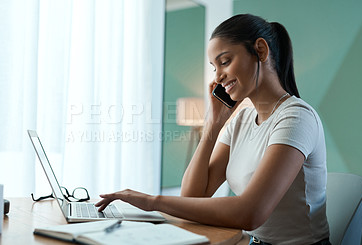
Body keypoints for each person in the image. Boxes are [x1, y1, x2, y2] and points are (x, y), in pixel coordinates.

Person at [96, 14, 331, 245]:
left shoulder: (296, 117)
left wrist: (153, 201)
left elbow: (251, 213)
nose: (218, 76)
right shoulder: (242, 119)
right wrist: (213, 125)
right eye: (214, 67)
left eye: (225, 62)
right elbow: (192, 198)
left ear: (260, 50)